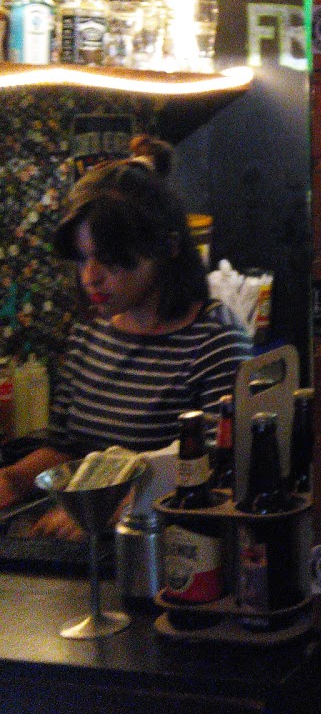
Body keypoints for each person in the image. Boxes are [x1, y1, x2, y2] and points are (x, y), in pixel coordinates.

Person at [0, 137, 251, 522]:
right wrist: (13, 481)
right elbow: (66, 449)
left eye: (111, 259)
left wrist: (107, 513)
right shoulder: (90, 332)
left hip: (166, 548)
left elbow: (216, 475)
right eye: (82, 259)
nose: (91, 277)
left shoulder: (214, 341)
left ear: (167, 247)